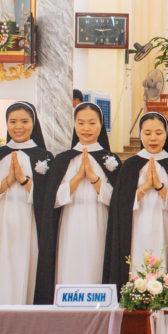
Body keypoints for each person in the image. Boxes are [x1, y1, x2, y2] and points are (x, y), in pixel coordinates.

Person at [33, 103, 120, 303]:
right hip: (70, 225)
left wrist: (94, 179)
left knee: (96, 266)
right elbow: (52, 200)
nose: (86, 128)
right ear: (74, 125)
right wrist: (77, 178)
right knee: (70, 267)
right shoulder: (63, 160)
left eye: (92, 123)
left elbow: (117, 202)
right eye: (80, 123)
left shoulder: (110, 160)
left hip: (99, 224)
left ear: (101, 125)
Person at [0, 102, 53, 304]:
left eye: (24, 121)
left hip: (30, 223)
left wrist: (23, 180)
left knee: (27, 269)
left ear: (33, 124)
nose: (18, 126)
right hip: (1, 224)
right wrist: (6, 182)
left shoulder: (44, 156)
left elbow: (48, 198)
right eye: (12, 121)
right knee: (0, 271)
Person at [103, 113, 168, 286]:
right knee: (138, 263)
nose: (153, 138)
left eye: (158, 133)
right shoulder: (130, 165)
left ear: (166, 134)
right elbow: (121, 205)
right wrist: (144, 188)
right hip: (137, 226)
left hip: (164, 225)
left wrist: (159, 187)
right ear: (140, 135)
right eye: (147, 133)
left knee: (163, 264)